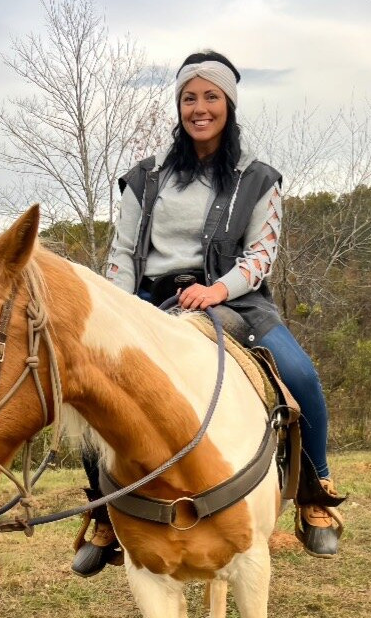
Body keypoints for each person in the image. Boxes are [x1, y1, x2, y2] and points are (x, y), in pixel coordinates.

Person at [71, 50, 343, 577]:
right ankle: (105, 510)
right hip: (150, 302)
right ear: (179, 107)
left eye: (211, 97)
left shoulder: (258, 178)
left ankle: (317, 491)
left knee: (300, 374)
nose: (200, 108)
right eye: (189, 98)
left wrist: (217, 289)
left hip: (234, 299)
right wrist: (116, 308)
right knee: (95, 386)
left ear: (228, 104)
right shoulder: (145, 178)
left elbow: (260, 256)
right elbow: (122, 252)